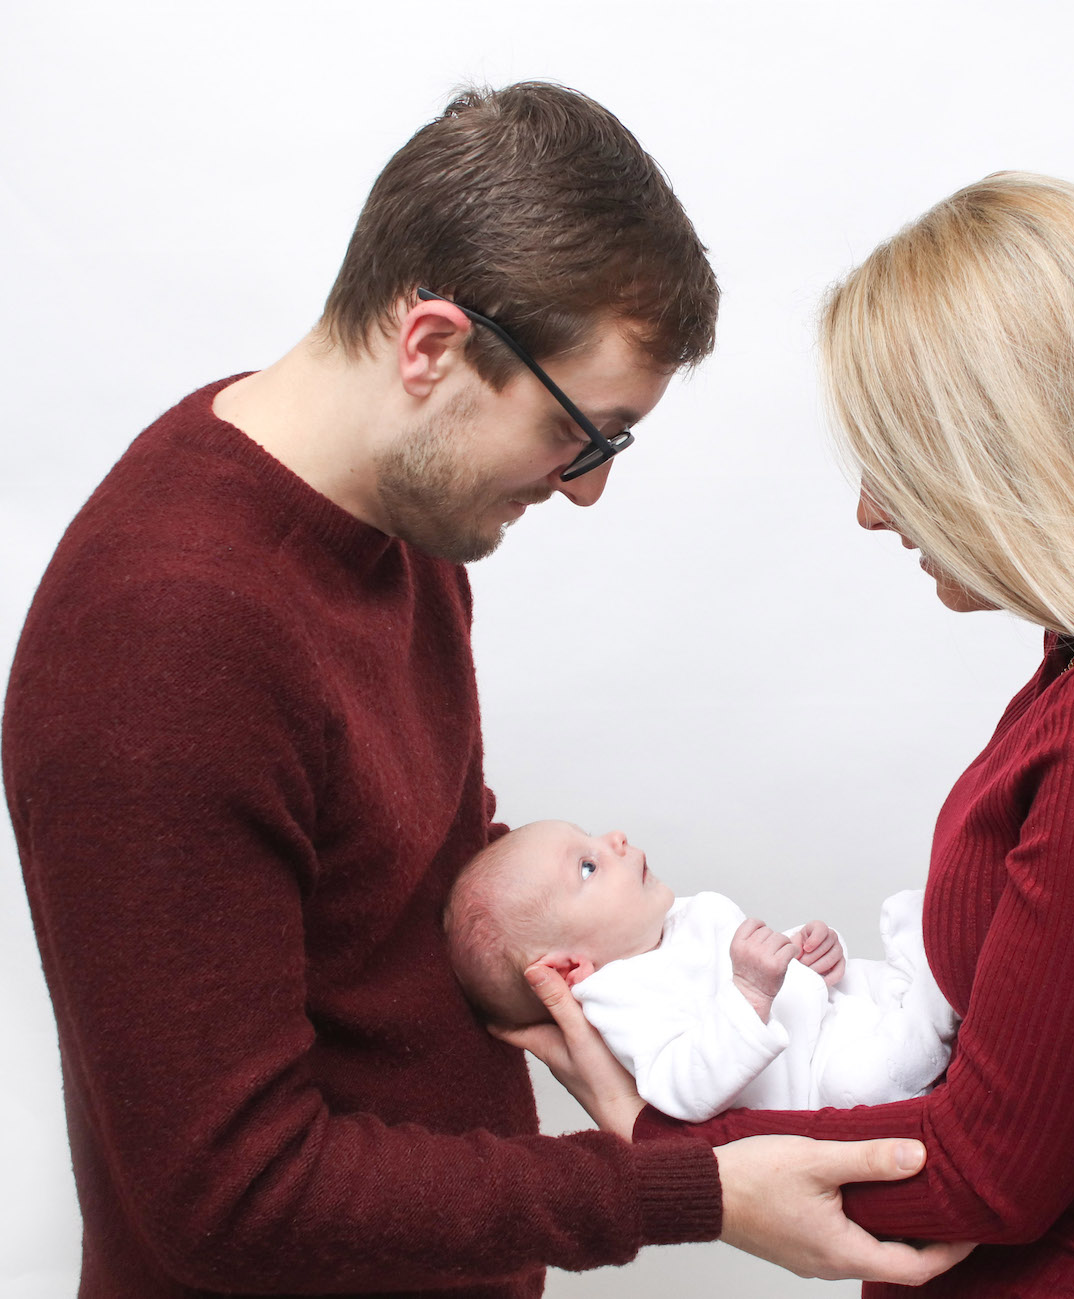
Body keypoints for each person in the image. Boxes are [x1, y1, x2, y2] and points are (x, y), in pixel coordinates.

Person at [1, 84, 971, 1297]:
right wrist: (693, 1190)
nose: (586, 488)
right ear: (432, 348)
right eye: (582, 433)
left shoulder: (396, 523)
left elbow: (403, 879)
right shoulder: (166, 638)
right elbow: (229, 1196)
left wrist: (648, 1003)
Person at [509, 172, 1074, 1297]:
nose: (870, 511)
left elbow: (989, 1170)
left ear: (1019, 449)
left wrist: (657, 1146)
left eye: (897, 460)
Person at [445, 820, 958, 1120]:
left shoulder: (683, 918)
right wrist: (752, 989)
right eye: (587, 866)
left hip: (839, 1017)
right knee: (860, 1080)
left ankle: (928, 993)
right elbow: (685, 1088)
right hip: (818, 1087)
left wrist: (806, 954)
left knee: (906, 924)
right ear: (571, 966)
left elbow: (775, 978)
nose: (616, 838)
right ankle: (933, 1012)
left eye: (592, 838)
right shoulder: (619, 1001)